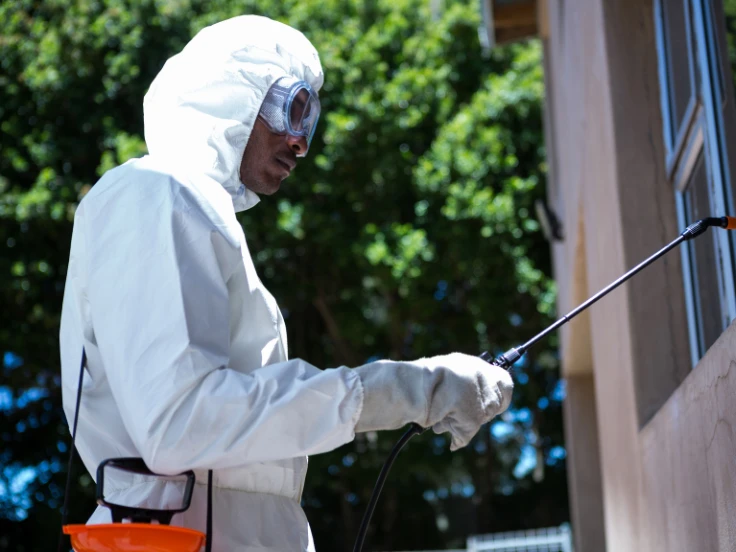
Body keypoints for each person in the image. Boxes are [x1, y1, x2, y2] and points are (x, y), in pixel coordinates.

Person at [59, 14, 513, 552]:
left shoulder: (196, 212)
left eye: (309, 121)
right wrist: (406, 390)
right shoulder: (156, 191)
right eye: (290, 109)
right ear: (232, 98)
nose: (300, 144)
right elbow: (179, 423)